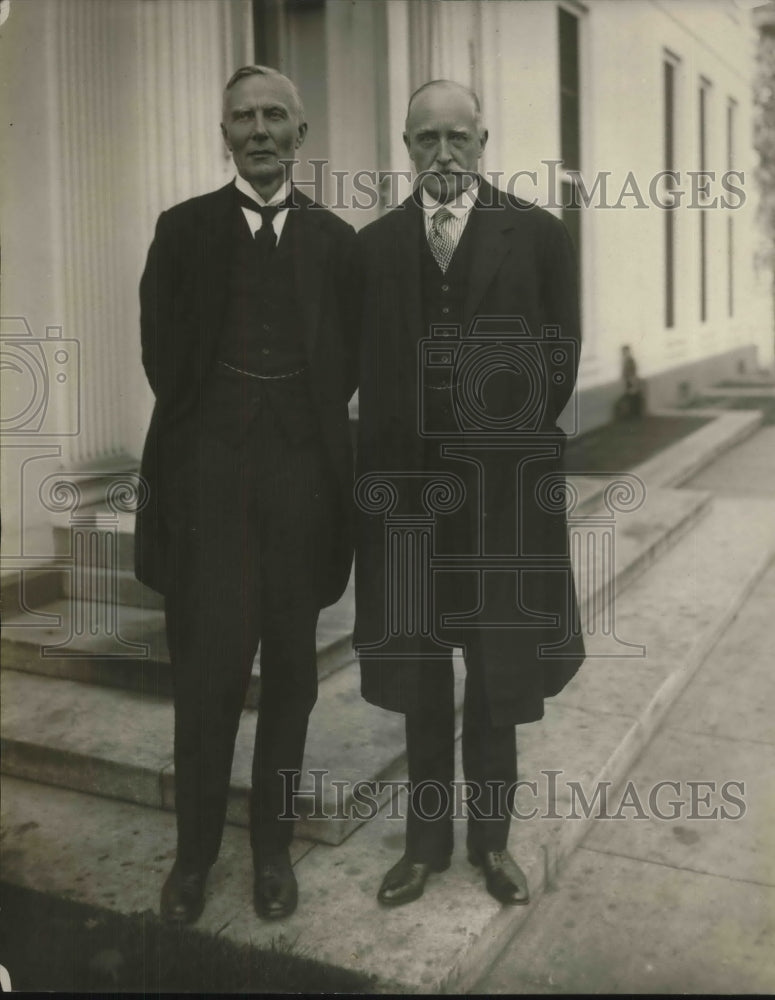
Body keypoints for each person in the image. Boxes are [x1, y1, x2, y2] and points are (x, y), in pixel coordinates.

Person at [135, 65, 358, 924]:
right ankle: (194, 858)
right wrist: (210, 445)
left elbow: (348, 360)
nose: (258, 130)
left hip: (302, 487)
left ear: (301, 135)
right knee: (207, 674)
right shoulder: (182, 230)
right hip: (208, 489)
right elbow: (163, 356)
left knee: (293, 675)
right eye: (242, 118)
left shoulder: (338, 244)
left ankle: (271, 850)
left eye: (274, 117)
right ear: (223, 134)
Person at [354, 80, 585, 908]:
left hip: (501, 499)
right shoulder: (374, 247)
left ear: (483, 140)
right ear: (405, 146)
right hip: (412, 506)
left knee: (495, 670)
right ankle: (423, 846)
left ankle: (491, 845)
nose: (442, 153)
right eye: (426, 139)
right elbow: (363, 375)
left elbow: (560, 356)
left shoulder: (537, 236)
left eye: (458, 136)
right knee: (419, 674)